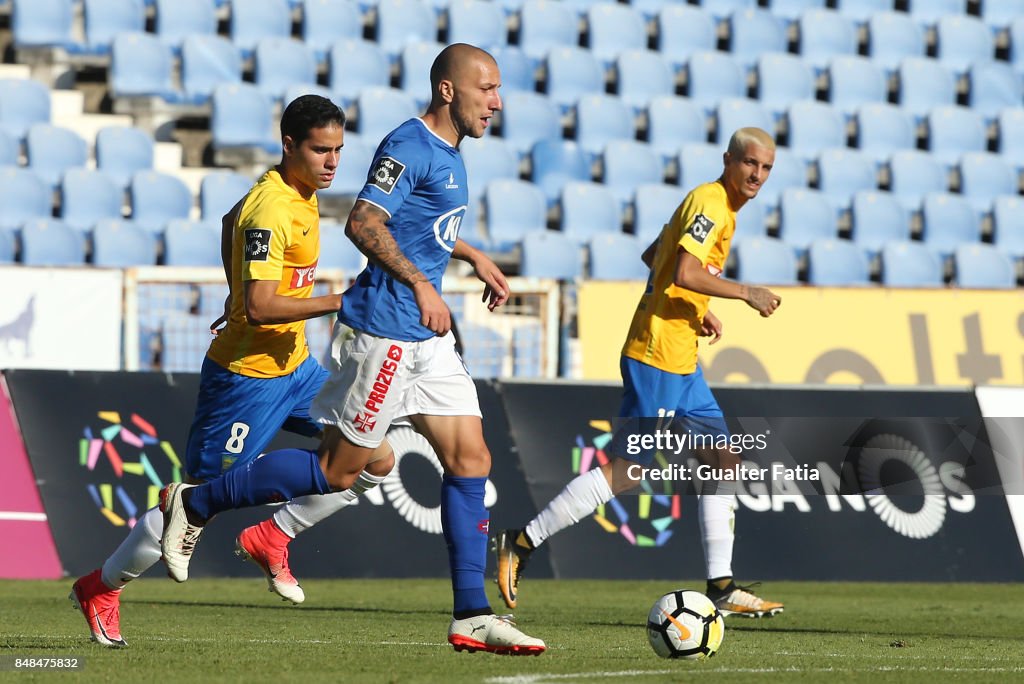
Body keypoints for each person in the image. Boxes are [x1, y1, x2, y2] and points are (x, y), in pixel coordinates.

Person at [156, 43, 546, 656]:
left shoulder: (450, 153)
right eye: (486, 89)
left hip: (427, 339)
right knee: (341, 470)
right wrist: (420, 283)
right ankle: (198, 501)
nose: (497, 102)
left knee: (471, 460)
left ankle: (471, 616)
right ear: (448, 90)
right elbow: (363, 223)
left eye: (498, 90)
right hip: (385, 332)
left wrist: (470, 255)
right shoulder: (407, 146)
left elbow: (421, 226)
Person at [70, 94, 394, 647]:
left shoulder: (301, 193)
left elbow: (228, 222)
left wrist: (235, 286)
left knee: (376, 455)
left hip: (295, 368)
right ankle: (100, 587)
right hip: (245, 379)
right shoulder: (272, 206)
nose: (332, 162)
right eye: (321, 149)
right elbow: (265, 307)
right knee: (198, 500)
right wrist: (338, 301)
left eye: (339, 150)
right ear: (289, 145)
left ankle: (275, 535)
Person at [493, 127, 786, 619]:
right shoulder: (712, 204)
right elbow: (685, 272)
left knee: (723, 463)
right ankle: (522, 541)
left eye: (766, 168)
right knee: (631, 473)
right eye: (749, 163)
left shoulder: (716, 206)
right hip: (656, 358)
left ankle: (721, 585)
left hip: (682, 359)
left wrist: (697, 308)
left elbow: (655, 257)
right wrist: (745, 293)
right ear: (729, 160)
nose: (757, 175)